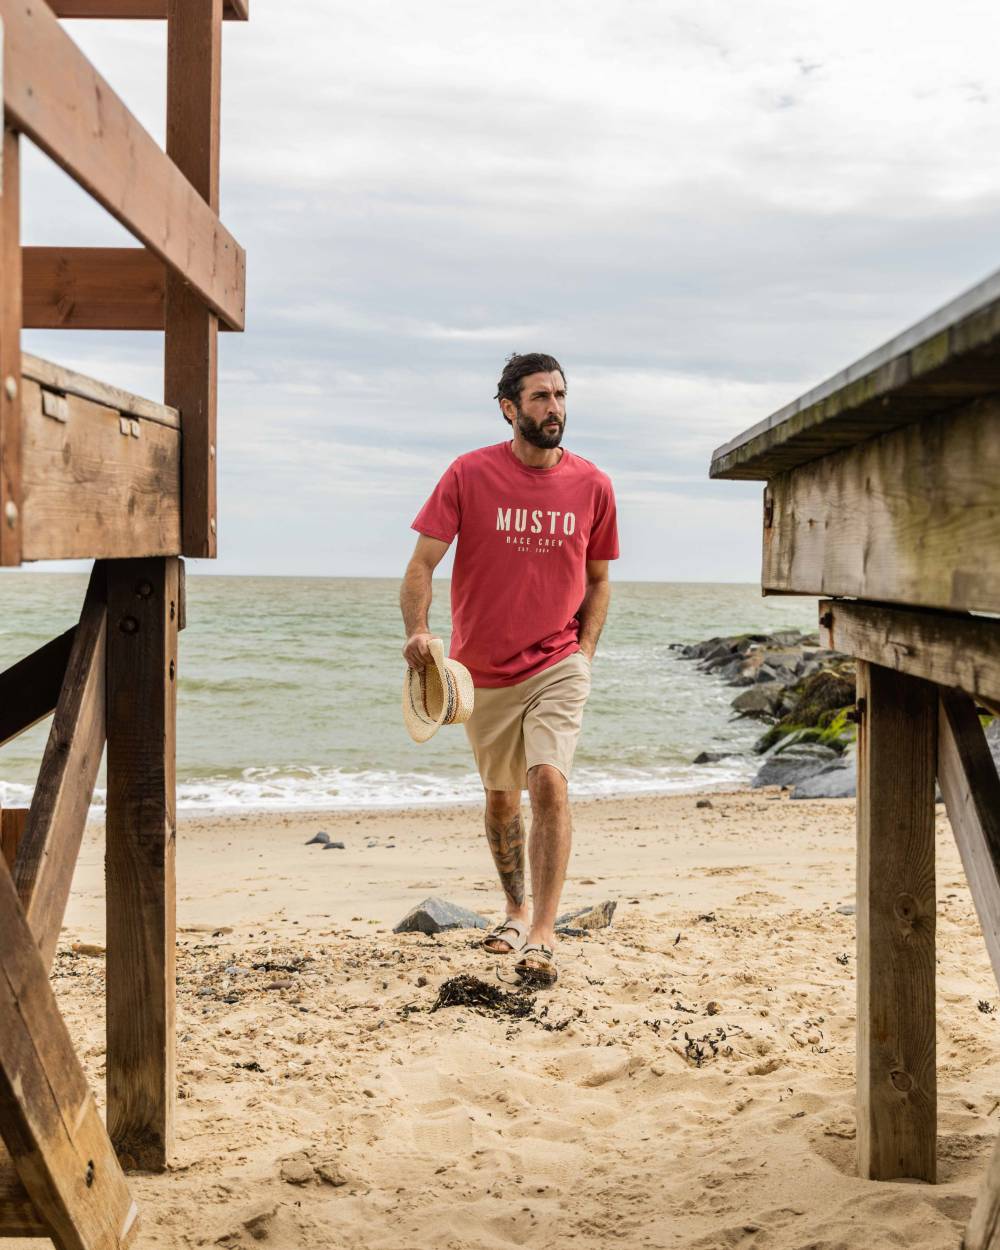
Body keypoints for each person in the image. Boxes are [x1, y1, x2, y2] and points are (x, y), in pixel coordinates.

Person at [400, 352, 619, 986]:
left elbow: (599, 579)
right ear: (509, 407)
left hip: (558, 660)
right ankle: (515, 909)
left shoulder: (593, 485)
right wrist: (418, 632)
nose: (555, 408)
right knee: (501, 801)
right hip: (480, 673)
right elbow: (421, 566)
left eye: (560, 395)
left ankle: (543, 932)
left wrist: (586, 651)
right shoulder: (468, 475)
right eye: (541, 397)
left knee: (548, 781)